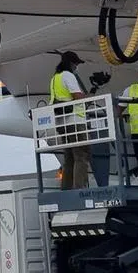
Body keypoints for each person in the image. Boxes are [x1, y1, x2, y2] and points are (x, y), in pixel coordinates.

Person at [49, 51, 92, 190]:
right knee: (81, 155)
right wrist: (89, 97)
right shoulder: (68, 75)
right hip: (75, 121)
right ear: (71, 63)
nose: (77, 67)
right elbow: (77, 96)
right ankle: (79, 189)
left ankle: (67, 189)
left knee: (69, 158)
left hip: (61, 123)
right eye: (76, 64)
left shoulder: (55, 78)